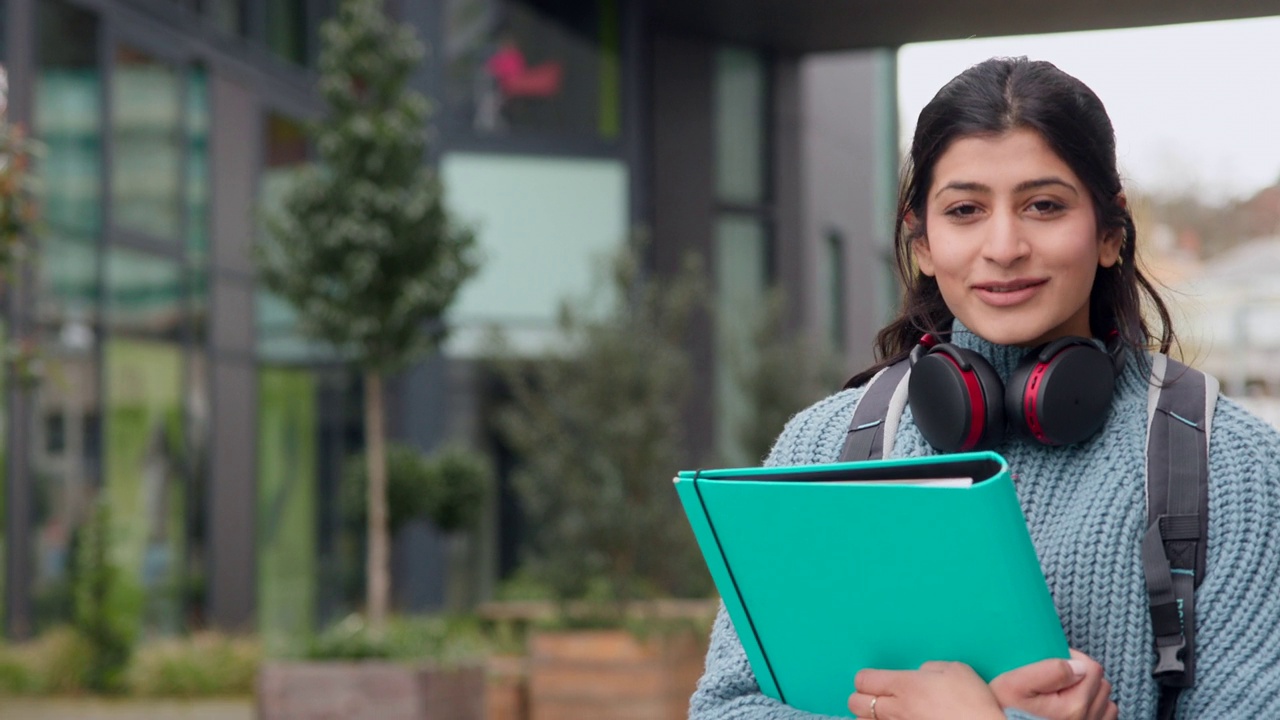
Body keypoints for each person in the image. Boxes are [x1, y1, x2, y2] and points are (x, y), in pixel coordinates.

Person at [688, 56, 1280, 720]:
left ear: (1111, 232)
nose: (1003, 245)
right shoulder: (821, 449)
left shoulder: (1232, 466)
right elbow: (727, 708)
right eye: (966, 209)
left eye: (1045, 206)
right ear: (923, 241)